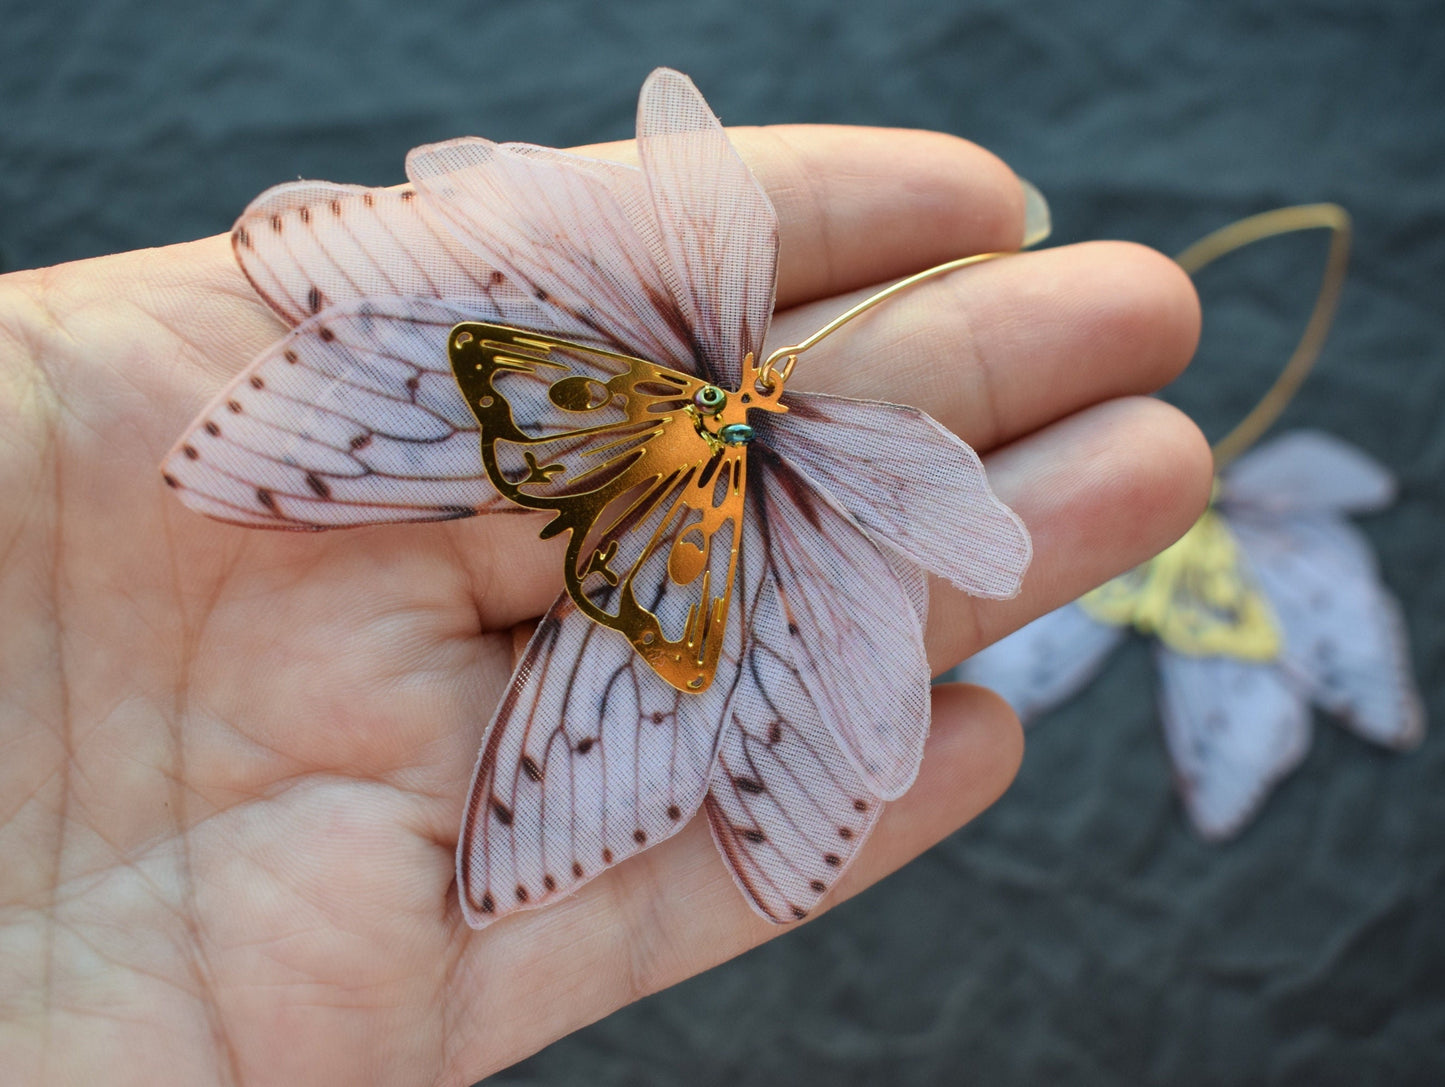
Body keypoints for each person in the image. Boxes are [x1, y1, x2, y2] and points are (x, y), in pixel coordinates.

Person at [0, 124, 1208, 1083]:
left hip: (689, 499)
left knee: (665, 679)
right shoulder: (705, 357)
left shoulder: (779, 476)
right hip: (617, 416)